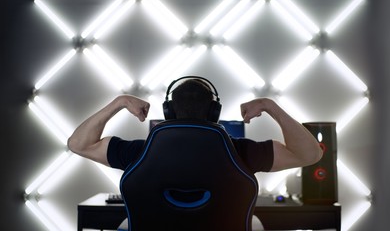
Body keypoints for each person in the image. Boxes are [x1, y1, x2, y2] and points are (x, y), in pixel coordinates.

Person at [67, 77, 323, 174]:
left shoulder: (139, 153)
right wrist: (270, 106)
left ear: (168, 114)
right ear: (215, 114)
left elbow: (77, 144)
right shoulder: (242, 153)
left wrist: (119, 102)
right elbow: (311, 154)